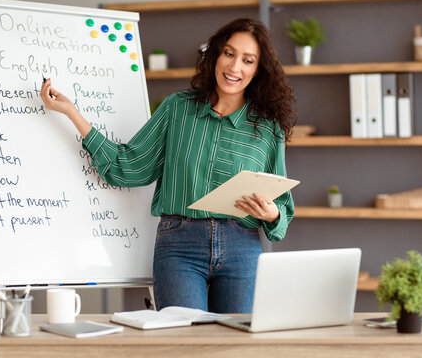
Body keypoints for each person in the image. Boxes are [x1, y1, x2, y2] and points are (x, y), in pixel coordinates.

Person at [40, 18, 297, 313]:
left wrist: (272, 213)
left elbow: (283, 210)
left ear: (258, 70)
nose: (235, 67)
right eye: (229, 53)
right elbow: (128, 166)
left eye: (248, 60)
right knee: (181, 342)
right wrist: (73, 114)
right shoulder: (177, 108)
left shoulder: (267, 129)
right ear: (215, 55)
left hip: (242, 247)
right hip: (180, 246)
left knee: (235, 347)